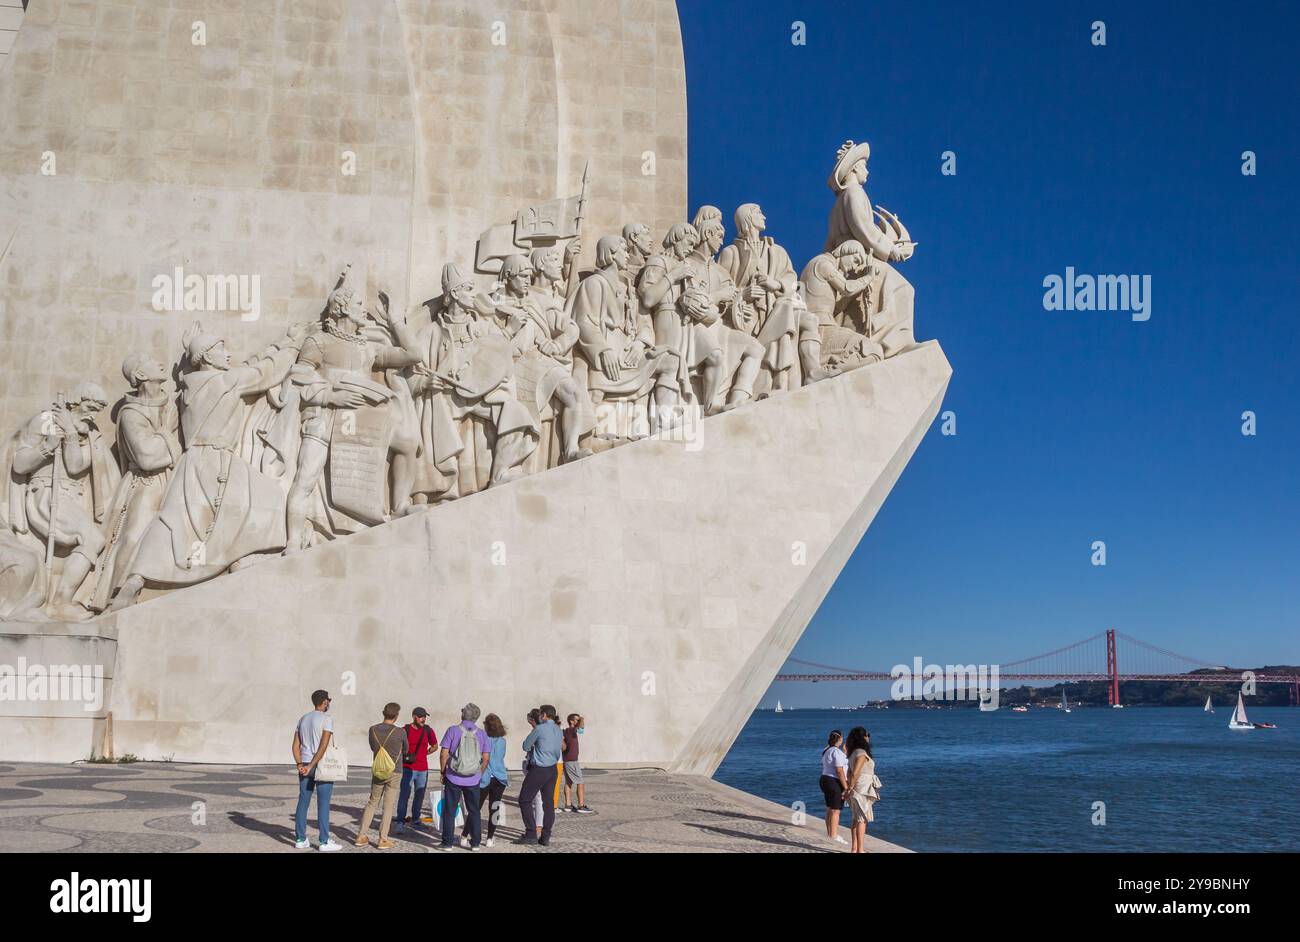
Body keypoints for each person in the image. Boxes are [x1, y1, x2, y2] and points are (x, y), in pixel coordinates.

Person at [291, 689, 340, 851]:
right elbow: (324, 745)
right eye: (328, 701)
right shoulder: (327, 719)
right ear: (325, 701)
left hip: (304, 763)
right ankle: (324, 842)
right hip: (320, 764)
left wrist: (300, 765)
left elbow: (295, 745)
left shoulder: (303, 719)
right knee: (323, 803)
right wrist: (312, 765)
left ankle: (300, 839)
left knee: (303, 801)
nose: (329, 704)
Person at [438, 702, 491, 851]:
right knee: (474, 810)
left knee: (449, 810)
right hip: (473, 778)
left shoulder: (453, 730)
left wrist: (443, 771)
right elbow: (486, 757)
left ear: (463, 714)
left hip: (453, 776)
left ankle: (447, 843)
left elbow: (444, 753)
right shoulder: (482, 734)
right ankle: (475, 843)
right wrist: (479, 772)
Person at [355, 702, 405, 849]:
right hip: (395, 770)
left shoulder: (372, 729)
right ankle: (383, 839)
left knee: (372, 802)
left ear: (384, 713)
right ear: (396, 716)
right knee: (388, 806)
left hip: (378, 770)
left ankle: (361, 835)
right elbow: (406, 749)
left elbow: (372, 747)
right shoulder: (400, 732)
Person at [517, 703, 564, 846]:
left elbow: (525, 745)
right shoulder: (558, 729)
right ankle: (545, 836)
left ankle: (531, 833)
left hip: (540, 768)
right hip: (553, 769)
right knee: (548, 804)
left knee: (524, 799)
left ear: (543, 715)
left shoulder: (540, 729)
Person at [463, 712, 508, 847]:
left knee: (475, 808)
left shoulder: (482, 739)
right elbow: (500, 757)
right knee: (494, 808)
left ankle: (465, 835)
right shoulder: (502, 741)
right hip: (499, 778)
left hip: (484, 777)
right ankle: (490, 838)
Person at [394, 706, 437, 835]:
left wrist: (425, 753)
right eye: (420, 716)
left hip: (423, 769)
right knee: (404, 795)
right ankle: (400, 821)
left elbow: (435, 745)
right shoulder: (405, 730)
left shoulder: (428, 730)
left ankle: (416, 819)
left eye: (424, 716)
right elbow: (397, 746)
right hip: (407, 768)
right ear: (414, 716)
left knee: (419, 796)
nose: (423, 719)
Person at [844, 726, 879, 854]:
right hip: (862, 789)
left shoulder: (853, 753)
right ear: (863, 737)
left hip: (858, 788)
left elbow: (849, 773)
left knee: (856, 818)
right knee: (861, 820)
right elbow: (855, 773)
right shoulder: (862, 753)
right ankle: (860, 849)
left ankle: (854, 849)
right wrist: (849, 789)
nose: (868, 737)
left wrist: (848, 788)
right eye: (867, 735)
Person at [819, 729, 849, 845]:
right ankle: (833, 835)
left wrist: (845, 753)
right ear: (840, 739)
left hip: (825, 779)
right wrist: (846, 787)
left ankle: (830, 833)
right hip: (833, 781)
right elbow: (839, 770)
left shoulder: (827, 750)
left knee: (829, 808)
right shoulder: (836, 752)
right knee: (836, 810)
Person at [561, 713, 593, 814]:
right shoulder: (571, 730)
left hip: (568, 760)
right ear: (571, 721)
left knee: (569, 782)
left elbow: (581, 730)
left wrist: (579, 721)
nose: (578, 722)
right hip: (572, 760)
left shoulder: (567, 731)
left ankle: (568, 805)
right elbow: (581, 729)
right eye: (576, 720)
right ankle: (581, 805)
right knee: (580, 782)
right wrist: (582, 720)